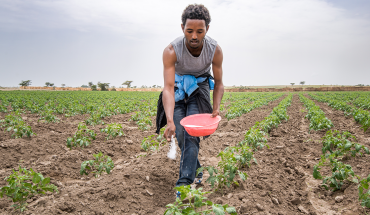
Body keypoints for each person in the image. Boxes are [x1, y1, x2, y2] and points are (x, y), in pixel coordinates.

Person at [160, 4, 224, 191]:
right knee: (180, 132)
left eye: (199, 31)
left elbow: (219, 83)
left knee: (191, 133)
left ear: (207, 30)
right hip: (178, 88)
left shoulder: (215, 50)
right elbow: (169, 87)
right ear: (182, 28)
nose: (194, 36)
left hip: (200, 88)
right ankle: (197, 170)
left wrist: (216, 107)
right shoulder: (172, 50)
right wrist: (170, 120)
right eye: (189, 31)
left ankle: (184, 184)